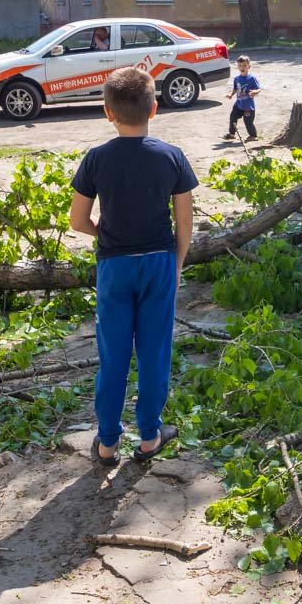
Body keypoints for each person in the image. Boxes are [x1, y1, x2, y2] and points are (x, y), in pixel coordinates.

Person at [70, 67, 197, 466]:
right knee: (154, 351)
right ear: (154, 108)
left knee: (113, 354)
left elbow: (76, 220)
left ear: (108, 112)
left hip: (114, 267)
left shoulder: (96, 159)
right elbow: (185, 222)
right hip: (159, 262)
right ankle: (149, 436)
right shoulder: (172, 156)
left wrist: (104, 234)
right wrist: (175, 264)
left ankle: (107, 443)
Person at [224, 55, 260, 140]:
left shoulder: (251, 78)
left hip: (248, 106)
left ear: (249, 66)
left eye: (244, 65)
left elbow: (259, 89)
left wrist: (255, 92)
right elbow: (236, 88)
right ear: (237, 67)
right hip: (239, 104)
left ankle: (253, 136)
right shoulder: (237, 79)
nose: (242, 67)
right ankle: (232, 134)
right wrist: (231, 95)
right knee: (233, 117)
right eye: (240, 65)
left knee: (248, 122)